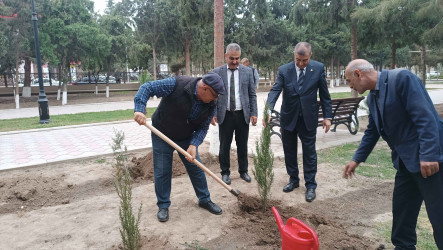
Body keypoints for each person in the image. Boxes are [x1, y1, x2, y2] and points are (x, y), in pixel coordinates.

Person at [343, 59, 443, 249]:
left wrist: (429, 155)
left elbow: (425, 118)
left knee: (439, 217)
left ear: (358, 74)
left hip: (429, 163)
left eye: (349, 80)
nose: (350, 85)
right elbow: (372, 131)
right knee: (402, 216)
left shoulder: (402, 79)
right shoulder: (372, 98)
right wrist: (357, 159)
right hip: (405, 165)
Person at [134, 72, 225, 222]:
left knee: (196, 167)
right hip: (162, 132)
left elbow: (203, 128)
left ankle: (204, 199)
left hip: (186, 136)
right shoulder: (177, 84)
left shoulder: (212, 103)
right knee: (162, 170)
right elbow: (147, 87)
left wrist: (194, 144)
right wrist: (139, 108)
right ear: (204, 88)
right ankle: (163, 205)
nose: (216, 99)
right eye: (215, 95)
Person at [265, 42, 332, 202]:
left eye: (305, 60)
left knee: (309, 153)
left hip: (308, 118)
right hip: (288, 117)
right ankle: (293, 180)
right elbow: (275, 90)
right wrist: (268, 109)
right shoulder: (284, 70)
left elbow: (324, 94)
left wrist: (328, 117)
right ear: (294, 56)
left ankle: (310, 185)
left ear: (310, 56)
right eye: (298, 60)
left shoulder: (318, 68)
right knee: (289, 151)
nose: (301, 64)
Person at [211, 43, 258, 185]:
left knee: (242, 144)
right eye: (231, 58)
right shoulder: (217, 72)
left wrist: (254, 112)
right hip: (225, 115)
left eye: (237, 58)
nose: (235, 61)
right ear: (226, 56)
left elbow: (252, 94)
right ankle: (225, 172)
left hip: (242, 114)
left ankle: (243, 171)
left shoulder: (247, 72)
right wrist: (213, 113)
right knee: (224, 145)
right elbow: (213, 95)